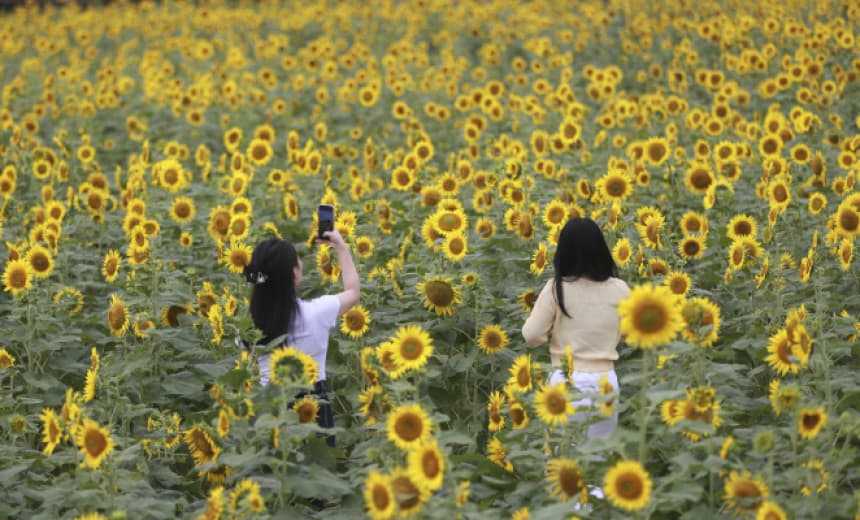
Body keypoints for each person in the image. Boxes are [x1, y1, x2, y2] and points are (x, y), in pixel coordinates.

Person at [243, 229, 360, 447]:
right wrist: (341, 247)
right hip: (312, 408)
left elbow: (248, 371)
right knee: (318, 461)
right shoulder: (317, 313)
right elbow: (353, 291)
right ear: (294, 274)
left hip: (270, 410)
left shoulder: (247, 327)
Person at [522, 217, 630, 440]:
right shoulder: (620, 289)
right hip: (605, 383)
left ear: (564, 252)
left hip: (564, 380)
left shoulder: (557, 288)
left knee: (561, 455)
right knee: (600, 453)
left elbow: (531, 335)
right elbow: (631, 335)